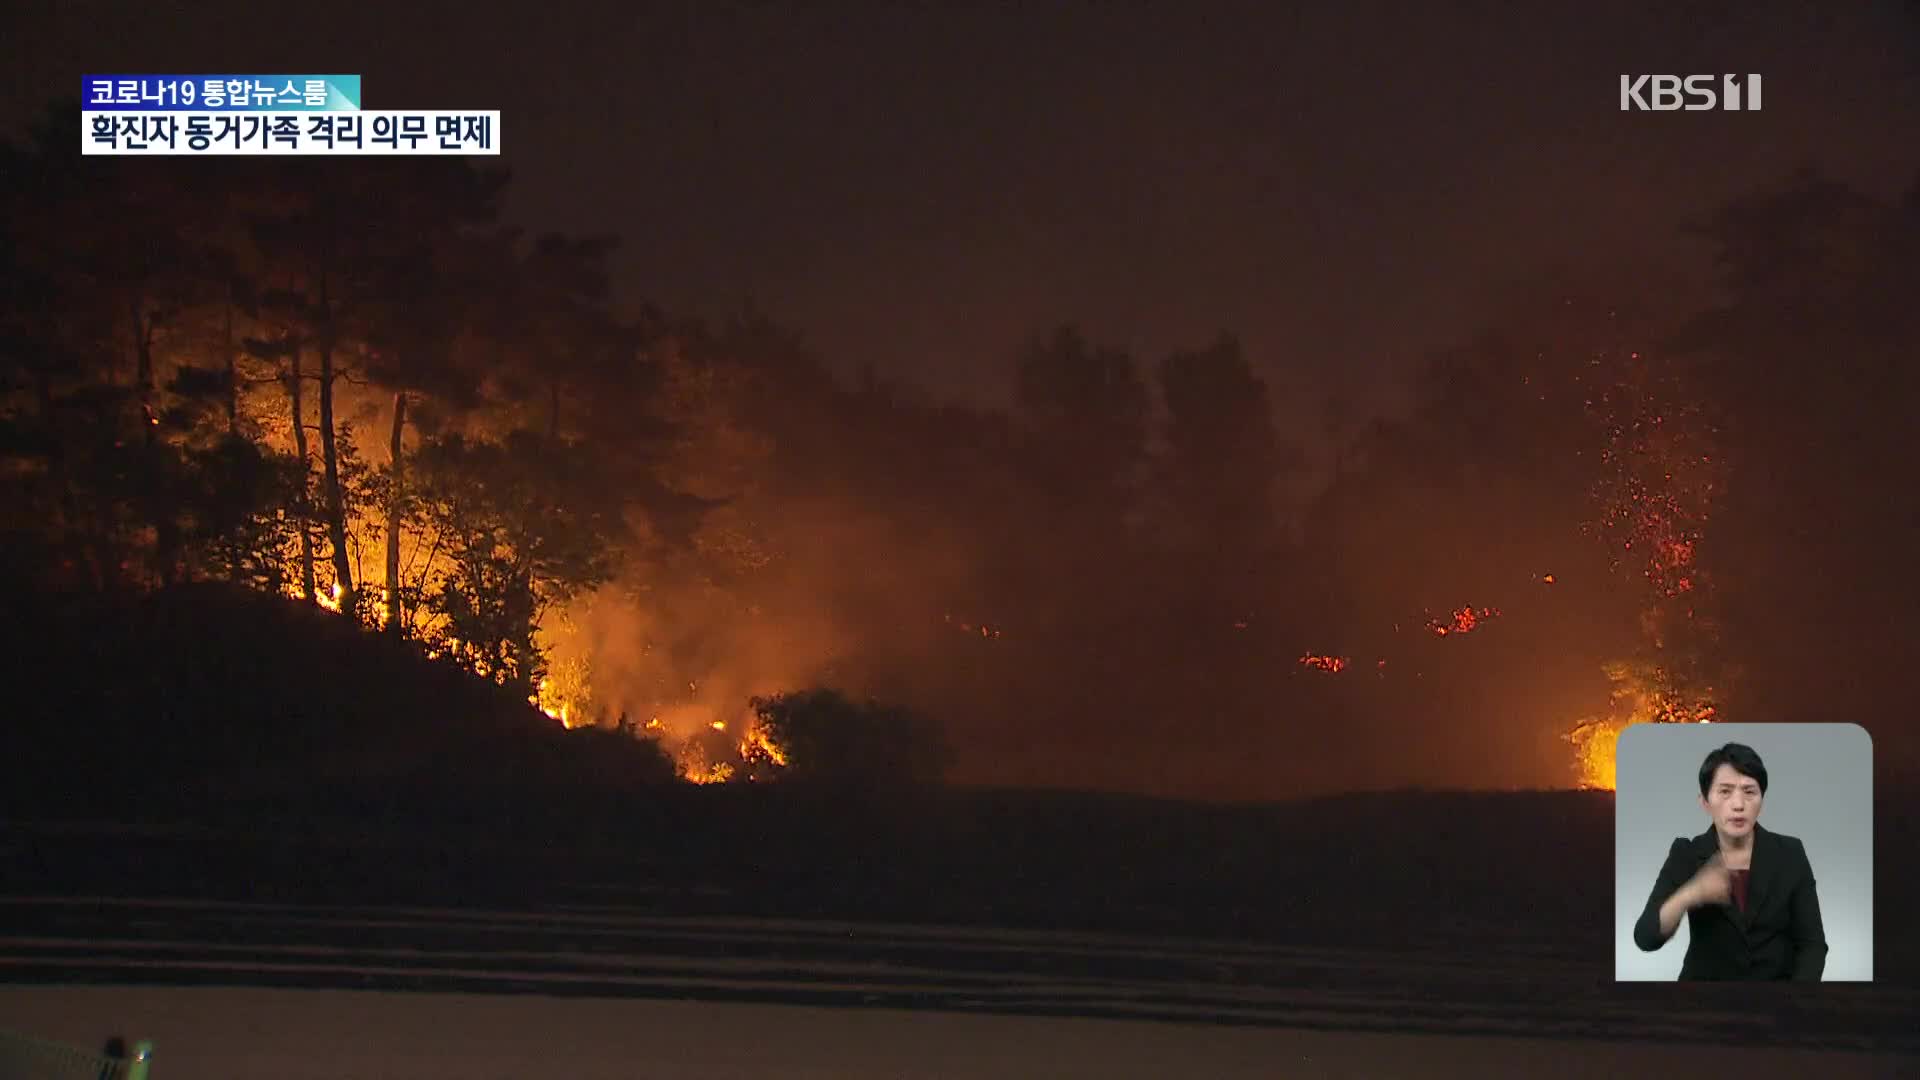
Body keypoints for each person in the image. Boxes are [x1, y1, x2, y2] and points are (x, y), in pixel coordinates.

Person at [1632, 742, 1827, 980]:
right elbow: (1645, 938)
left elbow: (1812, 944)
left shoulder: (1790, 853)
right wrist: (1690, 893)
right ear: (1704, 802)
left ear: (1761, 800)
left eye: (1749, 792)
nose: (1738, 805)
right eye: (1725, 791)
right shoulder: (1687, 853)